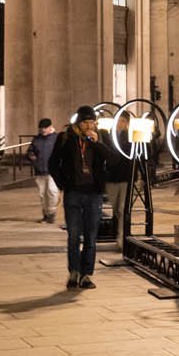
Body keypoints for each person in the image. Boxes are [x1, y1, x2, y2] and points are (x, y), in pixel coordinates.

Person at [53, 106, 113, 289]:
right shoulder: (66, 138)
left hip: (93, 195)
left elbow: (112, 159)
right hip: (74, 194)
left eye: (92, 122)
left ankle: (87, 274)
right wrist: (64, 184)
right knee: (73, 236)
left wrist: (96, 143)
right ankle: (74, 272)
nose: (89, 126)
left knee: (90, 236)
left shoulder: (100, 136)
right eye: (85, 122)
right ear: (78, 123)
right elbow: (53, 163)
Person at [29, 118, 60, 223]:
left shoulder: (56, 138)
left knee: (52, 192)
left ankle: (51, 213)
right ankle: (46, 214)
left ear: (50, 127)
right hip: (40, 170)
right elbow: (30, 151)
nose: (43, 130)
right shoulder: (37, 139)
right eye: (41, 128)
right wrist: (31, 156)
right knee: (42, 194)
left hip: (53, 171)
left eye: (45, 128)